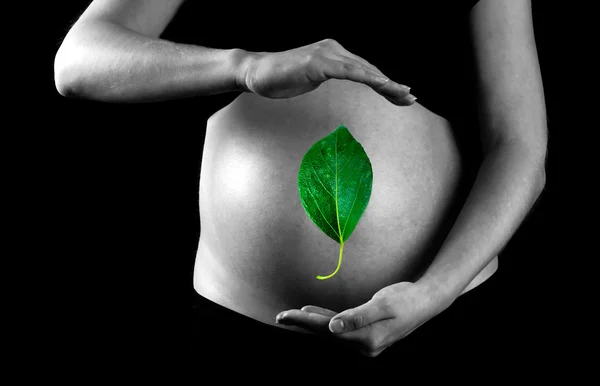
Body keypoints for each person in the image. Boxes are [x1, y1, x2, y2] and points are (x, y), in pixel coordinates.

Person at [54, 0, 548, 373]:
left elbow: (521, 146)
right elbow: (78, 60)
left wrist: (434, 293)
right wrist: (243, 67)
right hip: (240, 321)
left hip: (443, 311)